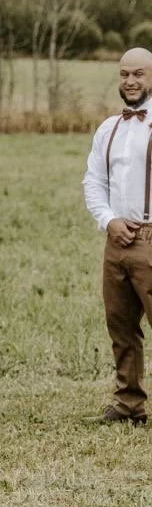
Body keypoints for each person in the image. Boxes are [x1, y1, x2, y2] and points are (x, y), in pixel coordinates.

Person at [83, 46, 152, 425]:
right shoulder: (109, 128)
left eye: (139, 74)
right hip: (116, 241)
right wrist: (108, 220)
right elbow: (93, 180)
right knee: (121, 327)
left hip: (151, 238)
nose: (130, 81)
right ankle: (129, 406)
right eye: (125, 74)